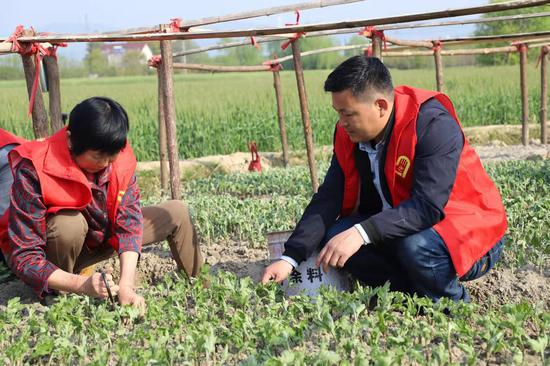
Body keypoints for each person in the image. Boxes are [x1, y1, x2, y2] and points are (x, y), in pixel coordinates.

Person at [262, 56, 507, 302]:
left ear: (380, 105)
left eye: (348, 114)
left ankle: (452, 306)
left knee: (412, 245)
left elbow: (427, 207)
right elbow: (329, 196)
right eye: (338, 113)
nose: (341, 123)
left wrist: (361, 233)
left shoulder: (431, 124)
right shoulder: (351, 135)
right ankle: (409, 298)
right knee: (336, 235)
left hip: (469, 236)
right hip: (404, 227)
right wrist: (290, 257)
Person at [0, 97, 203, 312]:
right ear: (70, 141)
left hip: (101, 238)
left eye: (112, 157)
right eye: (98, 157)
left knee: (177, 211)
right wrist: (81, 285)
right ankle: (59, 296)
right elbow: (25, 256)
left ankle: (200, 286)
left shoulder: (116, 155)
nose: (106, 164)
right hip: (58, 251)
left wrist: (126, 285)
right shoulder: (34, 168)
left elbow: (129, 224)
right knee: (68, 224)